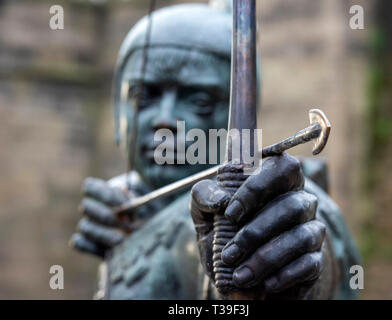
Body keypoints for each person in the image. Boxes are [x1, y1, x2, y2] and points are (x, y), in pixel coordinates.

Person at [70, 2, 360, 300]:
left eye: (199, 101)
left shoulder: (281, 201)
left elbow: (315, 249)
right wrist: (143, 213)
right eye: (144, 95)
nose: (164, 120)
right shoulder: (132, 203)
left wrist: (275, 273)